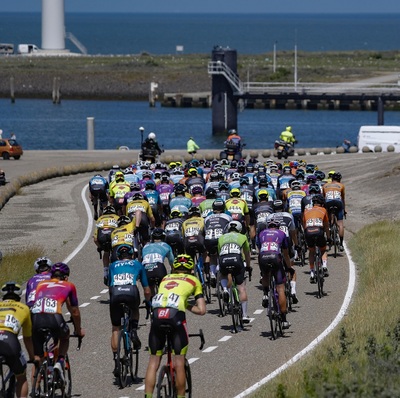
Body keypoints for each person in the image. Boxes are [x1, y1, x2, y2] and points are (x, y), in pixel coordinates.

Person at [144, 254, 206, 398]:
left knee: (154, 360)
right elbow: (202, 310)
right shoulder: (194, 280)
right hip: (175, 316)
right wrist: (187, 304)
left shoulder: (165, 279)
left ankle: (147, 396)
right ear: (191, 269)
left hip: (157, 314)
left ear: (174, 268)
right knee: (179, 362)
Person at [31, 263, 85, 382]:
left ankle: (36, 388)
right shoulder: (68, 285)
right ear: (66, 277)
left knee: (38, 357)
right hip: (54, 318)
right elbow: (74, 312)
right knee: (64, 337)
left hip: (35, 318)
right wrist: (78, 329)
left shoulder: (41, 284)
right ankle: (60, 361)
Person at [108, 245, 151, 376]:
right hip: (131, 292)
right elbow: (147, 289)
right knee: (135, 310)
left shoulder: (112, 265)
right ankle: (133, 330)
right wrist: (148, 302)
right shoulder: (137, 264)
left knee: (116, 328)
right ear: (132, 255)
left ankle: (116, 361)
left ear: (118, 256)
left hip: (115, 293)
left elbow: (110, 286)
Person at [0, 282, 34, 398]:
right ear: (19, 297)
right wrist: (32, 357)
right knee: (21, 376)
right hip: (9, 341)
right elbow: (27, 338)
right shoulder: (24, 308)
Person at [257, 218, 292, 329]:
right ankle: (284, 320)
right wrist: (289, 268)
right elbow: (286, 254)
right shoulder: (281, 233)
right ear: (278, 226)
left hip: (262, 257)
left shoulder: (262, 233)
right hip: (275, 257)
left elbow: (259, 248)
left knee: (265, 274)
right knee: (280, 288)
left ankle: (265, 294)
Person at [217, 220, 252, 323]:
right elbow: (247, 253)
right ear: (240, 229)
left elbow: (220, 254)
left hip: (224, 259)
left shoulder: (221, 238)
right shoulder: (243, 237)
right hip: (236, 259)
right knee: (241, 288)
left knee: (223, 274)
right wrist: (248, 267)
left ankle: (225, 289)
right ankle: (245, 315)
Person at [302, 194, 331, 282]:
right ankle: (325, 266)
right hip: (319, 230)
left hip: (309, 231)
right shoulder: (323, 210)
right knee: (322, 249)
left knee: (311, 251)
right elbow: (326, 226)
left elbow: (304, 225)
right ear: (322, 203)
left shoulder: (306, 210)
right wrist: (329, 237)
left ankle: (311, 272)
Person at [142, 228, 175, 297]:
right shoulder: (166, 245)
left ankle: (151, 301)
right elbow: (172, 261)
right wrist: (173, 271)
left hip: (146, 267)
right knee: (163, 287)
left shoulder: (145, 246)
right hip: (159, 267)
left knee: (150, 287)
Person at [93, 205, 119, 285]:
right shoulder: (117, 217)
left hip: (102, 237)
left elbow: (95, 238)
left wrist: (100, 247)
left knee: (106, 252)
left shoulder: (100, 219)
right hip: (112, 235)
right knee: (117, 251)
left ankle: (105, 272)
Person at [322, 172, 346, 251]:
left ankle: (329, 229)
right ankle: (341, 244)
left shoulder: (325, 186)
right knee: (340, 223)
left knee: (327, 220)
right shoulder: (341, 185)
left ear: (331, 179)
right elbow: (342, 199)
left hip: (328, 203)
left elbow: (323, 198)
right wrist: (344, 209)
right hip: (338, 203)